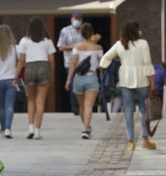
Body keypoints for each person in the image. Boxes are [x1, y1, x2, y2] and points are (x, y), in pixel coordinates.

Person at [100, 21, 157, 151]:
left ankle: (130, 141)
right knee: (144, 111)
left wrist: (105, 69)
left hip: (125, 80)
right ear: (137, 31)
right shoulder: (143, 44)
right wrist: (152, 82)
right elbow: (147, 64)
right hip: (142, 80)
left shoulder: (119, 44)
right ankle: (145, 139)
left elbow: (105, 58)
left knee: (128, 112)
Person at [16, 17, 56, 140]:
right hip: (44, 67)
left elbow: (21, 61)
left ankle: (31, 129)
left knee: (31, 100)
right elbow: (51, 60)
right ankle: (38, 131)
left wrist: (15, 75)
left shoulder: (24, 41)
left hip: (30, 68)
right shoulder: (47, 41)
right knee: (40, 101)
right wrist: (52, 73)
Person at [65, 23, 103, 139]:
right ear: (92, 33)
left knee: (82, 106)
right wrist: (101, 74)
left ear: (81, 33)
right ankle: (86, 129)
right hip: (92, 77)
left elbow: (73, 64)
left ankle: (86, 127)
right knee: (89, 106)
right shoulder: (98, 48)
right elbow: (102, 64)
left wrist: (68, 80)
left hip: (78, 78)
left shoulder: (77, 47)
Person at [57, 12, 84, 115]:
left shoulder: (84, 30)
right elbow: (61, 47)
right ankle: (75, 106)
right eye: (75, 18)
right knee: (73, 83)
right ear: (71, 19)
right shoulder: (65, 31)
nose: (77, 20)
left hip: (83, 62)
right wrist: (75, 46)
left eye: (79, 18)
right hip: (70, 62)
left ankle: (82, 105)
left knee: (81, 83)